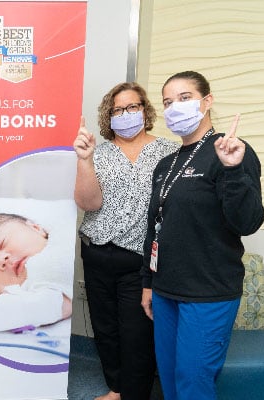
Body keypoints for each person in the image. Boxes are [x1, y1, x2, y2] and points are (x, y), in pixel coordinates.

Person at [141, 70, 264, 400]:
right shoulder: (166, 164)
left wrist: (233, 169)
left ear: (206, 101)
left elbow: (248, 222)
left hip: (208, 291)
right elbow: (155, 226)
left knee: (193, 382)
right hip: (166, 289)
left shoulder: (230, 150)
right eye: (168, 102)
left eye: (184, 98)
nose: (174, 108)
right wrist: (148, 283)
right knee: (168, 378)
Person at [74, 82, 179, 400]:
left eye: (132, 107)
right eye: (118, 110)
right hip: (97, 252)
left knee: (137, 334)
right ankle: (116, 389)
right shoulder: (98, 152)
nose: (125, 114)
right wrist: (85, 160)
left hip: (140, 259)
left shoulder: (168, 152)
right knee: (105, 329)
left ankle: (134, 394)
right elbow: (89, 203)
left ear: (145, 111)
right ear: (109, 116)